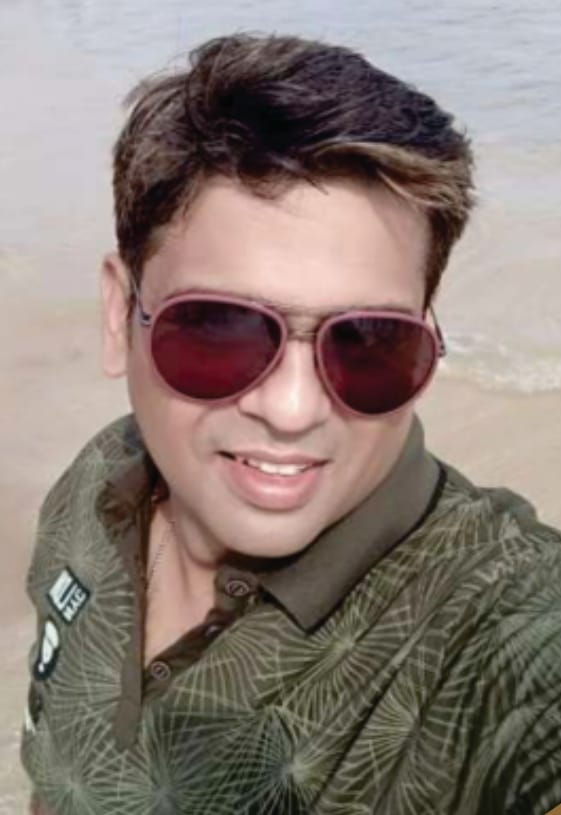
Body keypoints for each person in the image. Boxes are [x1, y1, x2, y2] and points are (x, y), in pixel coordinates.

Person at [21, 32, 561, 815]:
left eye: (368, 341)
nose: (292, 408)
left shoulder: (496, 629)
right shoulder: (99, 482)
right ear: (118, 314)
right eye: (218, 328)